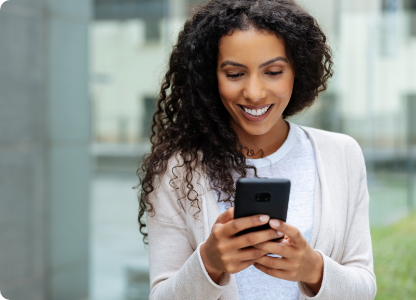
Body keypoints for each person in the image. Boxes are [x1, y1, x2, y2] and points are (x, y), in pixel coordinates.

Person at [137, 0, 377, 299]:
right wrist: (209, 263)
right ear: (210, 78)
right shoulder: (178, 170)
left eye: (273, 71)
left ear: (297, 71)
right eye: (235, 74)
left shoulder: (341, 154)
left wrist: (313, 269)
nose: (254, 92)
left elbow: (364, 288)